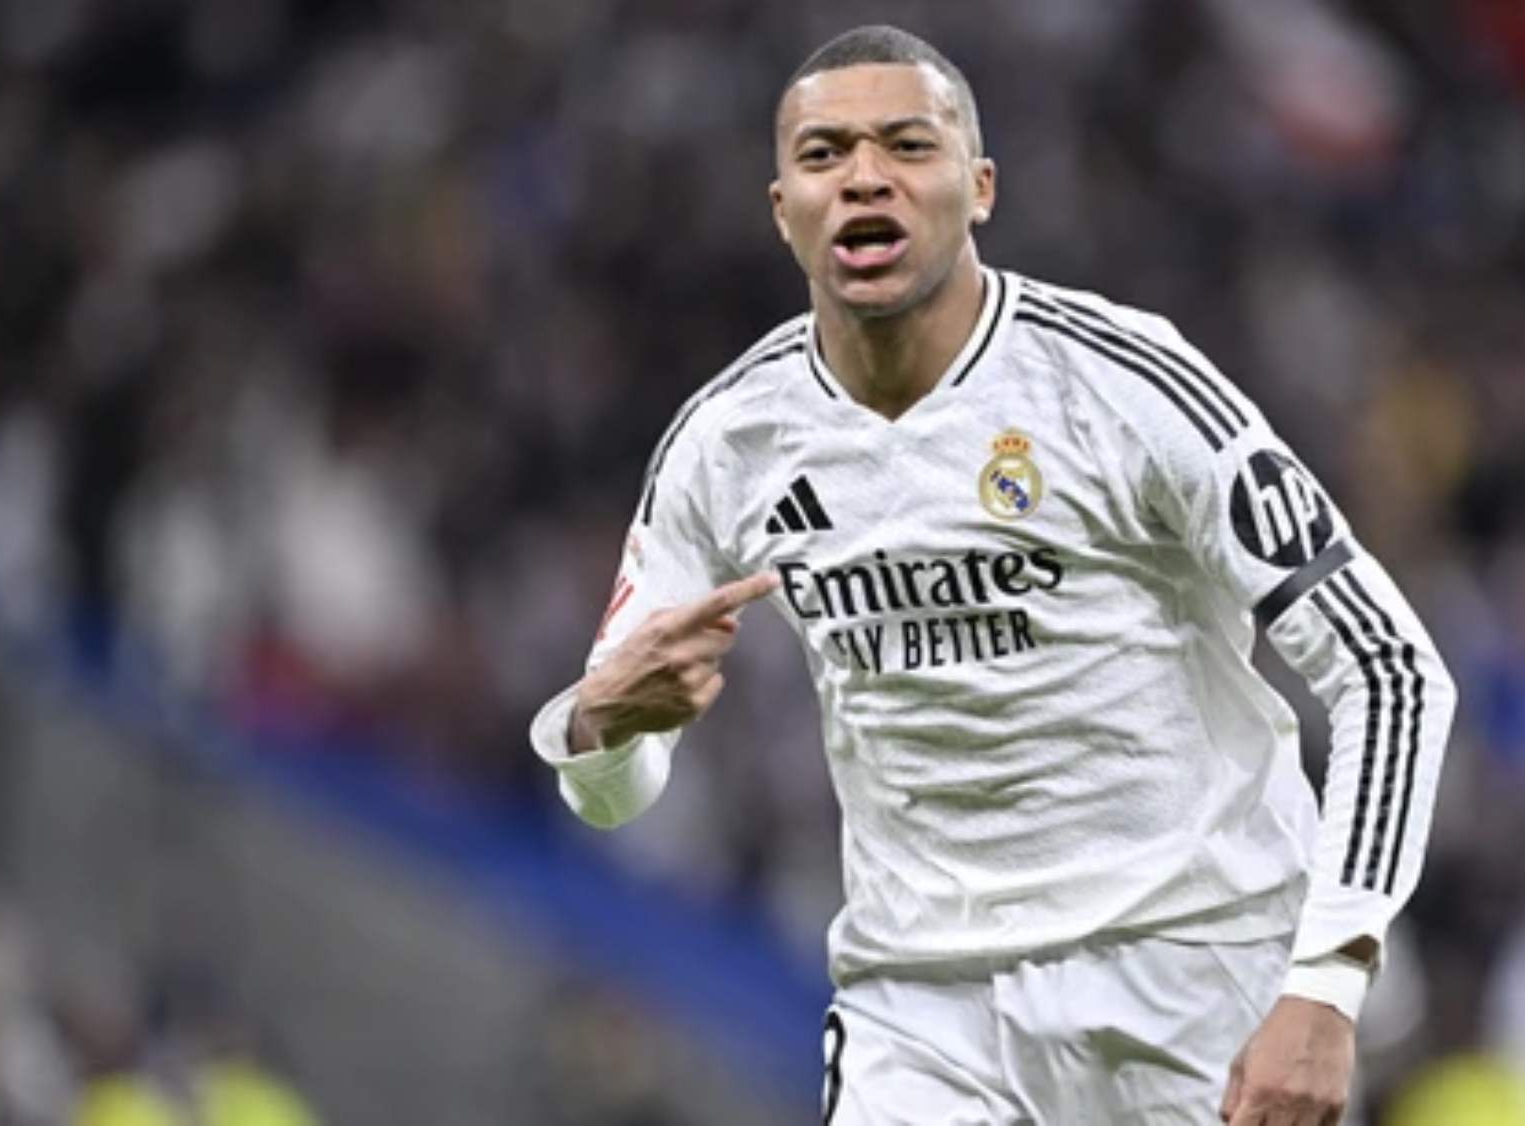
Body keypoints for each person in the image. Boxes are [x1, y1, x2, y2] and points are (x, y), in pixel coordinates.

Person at [529, 24, 1457, 1126]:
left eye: (904, 145)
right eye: (823, 155)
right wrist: (599, 723)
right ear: (783, 210)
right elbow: (611, 787)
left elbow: (1389, 669)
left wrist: (1326, 983)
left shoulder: (1127, 386)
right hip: (925, 1008)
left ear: (978, 189)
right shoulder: (728, 442)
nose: (863, 175)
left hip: (1193, 977)